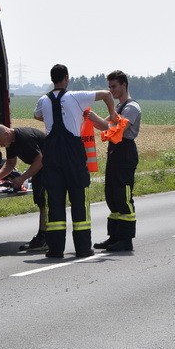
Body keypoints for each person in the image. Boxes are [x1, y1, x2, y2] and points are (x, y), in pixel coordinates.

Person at [34, 64, 116, 258]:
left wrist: (51, 117)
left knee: (55, 201)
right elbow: (106, 94)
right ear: (66, 78)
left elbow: (36, 115)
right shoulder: (76, 96)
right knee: (79, 199)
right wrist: (112, 114)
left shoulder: (43, 100)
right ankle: (82, 248)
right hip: (73, 155)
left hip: (52, 155)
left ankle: (55, 249)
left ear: (52, 78)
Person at [85, 70, 142, 252]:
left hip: (125, 152)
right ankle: (115, 237)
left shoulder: (131, 108)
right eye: (109, 87)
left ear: (124, 85)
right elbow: (105, 124)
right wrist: (89, 116)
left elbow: (116, 129)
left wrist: (95, 119)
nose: (111, 91)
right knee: (112, 195)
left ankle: (126, 240)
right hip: (115, 152)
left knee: (123, 197)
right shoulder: (117, 108)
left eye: (114, 86)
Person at [0, 124, 47, 251]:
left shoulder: (25, 138)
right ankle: (43, 236)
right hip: (41, 167)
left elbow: (40, 161)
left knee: (44, 200)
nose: (1, 146)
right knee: (40, 200)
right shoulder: (11, 142)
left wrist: (22, 178)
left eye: (0, 142)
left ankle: (44, 238)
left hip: (50, 165)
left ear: (6, 133)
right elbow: (10, 164)